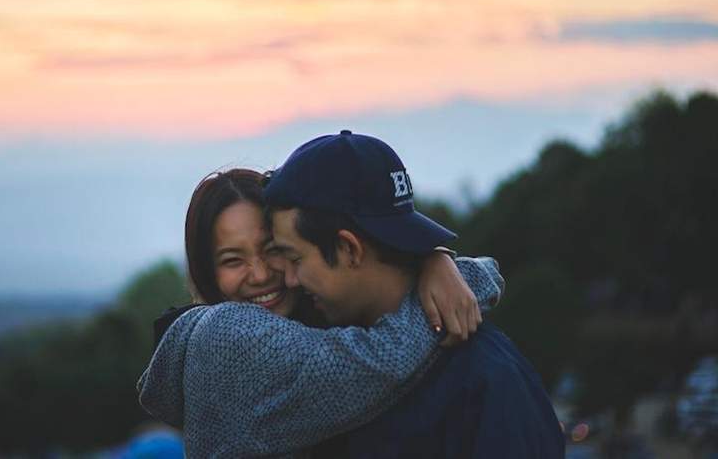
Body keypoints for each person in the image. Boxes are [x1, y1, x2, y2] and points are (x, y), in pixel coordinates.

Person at [138, 167, 506, 458]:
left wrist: (435, 259)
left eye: (274, 250)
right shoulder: (226, 338)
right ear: (207, 272)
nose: (262, 274)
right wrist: (464, 274)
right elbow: (381, 358)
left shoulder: (310, 321)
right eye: (233, 260)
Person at [263, 130, 565, 458]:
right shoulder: (333, 356)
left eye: (295, 259)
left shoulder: (486, 382)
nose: (289, 280)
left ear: (349, 248)